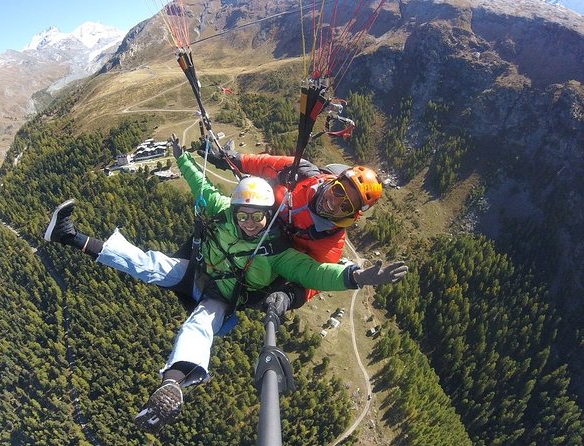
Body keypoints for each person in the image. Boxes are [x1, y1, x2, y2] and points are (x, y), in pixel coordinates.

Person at [44, 144, 408, 433]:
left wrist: (353, 278)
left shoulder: (281, 251)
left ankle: (172, 384)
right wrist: (187, 158)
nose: (250, 222)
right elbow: (206, 187)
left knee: (201, 323)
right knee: (149, 264)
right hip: (201, 269)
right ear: (334, 181)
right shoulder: (239, 205)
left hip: (224, 294)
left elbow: (316, 275)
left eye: (258, 217)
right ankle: (68, 236)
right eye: (244, 215)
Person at [201, 142, 385, 303]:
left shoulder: (330, 241)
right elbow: (264, 164)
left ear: (352, 215)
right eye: (338, 191)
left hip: (271, 258)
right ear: (334, 181)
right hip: (254, 217)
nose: (334, 203)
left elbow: (315, 277)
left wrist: (289, 297)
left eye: (345, 206)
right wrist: (230, 159)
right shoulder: (301, 172)